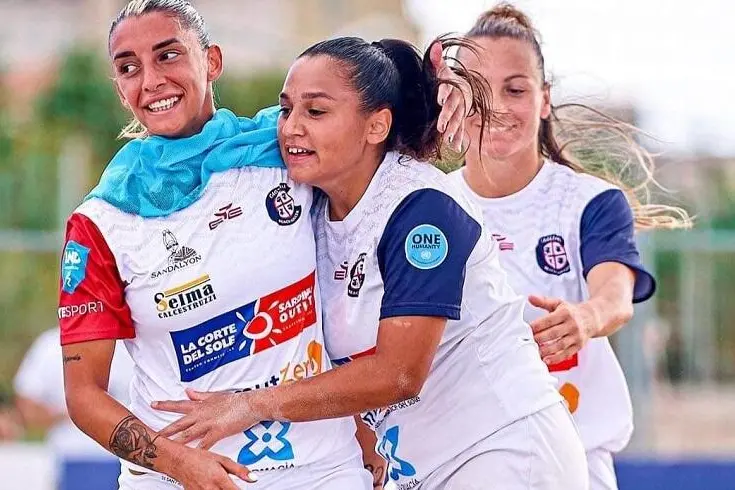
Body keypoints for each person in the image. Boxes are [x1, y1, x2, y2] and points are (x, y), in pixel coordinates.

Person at [58, 1, 469, 489]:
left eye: (168, 55)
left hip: (320, 471)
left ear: (211, 61)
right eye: (129, 68)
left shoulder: (282, 148)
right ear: (120, 89)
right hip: (181, 480)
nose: (151, 81)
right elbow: (84, 395)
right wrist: (177, 463)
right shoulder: (101, 222)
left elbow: (365, 120)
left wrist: (448, 88)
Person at [153, 36, 589, 490]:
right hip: (423, 469)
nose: (291, 128)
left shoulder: (421, 207)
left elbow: (398, 374)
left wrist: (247, 405)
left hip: (506, 450)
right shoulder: (309, 211)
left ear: (377, 125)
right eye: (286, 110)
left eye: (316, 112)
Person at [447, 5, 692, 489]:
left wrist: (584, 318)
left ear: (543, 99)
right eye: (477, 91)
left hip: (571, 456)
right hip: (461, 461)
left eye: (515, 89)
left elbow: (615, 297)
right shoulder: (430, 206)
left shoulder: (588, 201)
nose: (496, 107)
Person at [11, 327, 134, 489]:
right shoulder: (48, 346)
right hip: (74, 456)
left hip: (121, 459)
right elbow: (26, 407)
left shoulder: (125, 345)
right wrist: (76, 412)